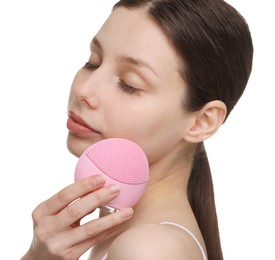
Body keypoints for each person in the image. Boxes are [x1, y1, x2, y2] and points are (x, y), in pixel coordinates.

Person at [21, 0, 253, 259]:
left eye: (129, 84)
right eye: (93, 62)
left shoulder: (148, 248)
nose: (83, 90)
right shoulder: (133, 233)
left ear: (202, 121)